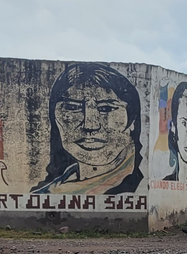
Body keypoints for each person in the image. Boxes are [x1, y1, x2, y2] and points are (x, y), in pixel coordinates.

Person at [33, 63, 143, 195]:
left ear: (132, 121)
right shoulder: (46, 193)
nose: (90, 125)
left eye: (106, 109)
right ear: (55, 117)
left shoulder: (141, 186)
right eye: (73, 108)